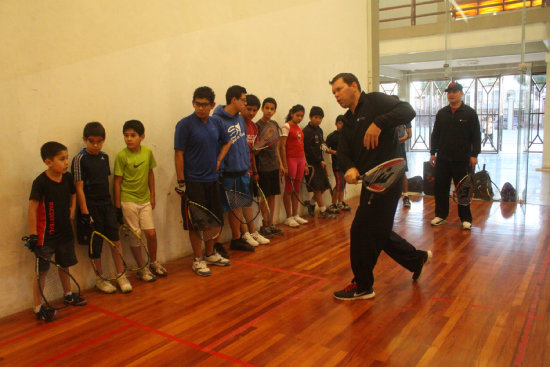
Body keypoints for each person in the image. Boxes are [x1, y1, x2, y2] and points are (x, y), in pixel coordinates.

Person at [329, 72, 432, 300]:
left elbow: (408, 111)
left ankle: (363, 285)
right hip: (370, 184)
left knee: (360, 230)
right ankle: (415, 258)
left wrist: (378, 123)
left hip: (389, 179)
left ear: (354, 86)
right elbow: (344, 154)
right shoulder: (347, 121)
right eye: (334, 92)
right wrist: (349, 168)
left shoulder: (376, 101)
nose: (336, 95)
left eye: (339, 89)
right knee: (377, 230)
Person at [174, 86, 232, 276]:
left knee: (214, 220)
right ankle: (197, 259)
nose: (200, 108)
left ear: (212, 105)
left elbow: (228, 141)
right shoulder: (185, 125)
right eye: (197, 104)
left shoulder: (216, 123)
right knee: (196, 223)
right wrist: (181, 181)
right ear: (193, 103)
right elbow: (179, 154)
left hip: (212, 179)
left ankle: (210, 254)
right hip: (193, 181)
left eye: (204, 105)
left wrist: (218, 160)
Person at [28, 142, 87, 321]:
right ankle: (38, 308)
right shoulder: (40, 182)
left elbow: (74, 192)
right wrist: (33, 236)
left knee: (64, 264)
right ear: (48, 162)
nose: (66, 162)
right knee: (42, 272)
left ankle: (68, 294)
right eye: (62, 159)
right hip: (45, 236)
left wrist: (72, 208)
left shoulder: (67, 177)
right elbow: (32, 209)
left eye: (67, 158)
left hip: (64, 232)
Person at [72, 122, 132, 293]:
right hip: (90, 207)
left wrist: (115, 207)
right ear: (85, 140)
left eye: (100, 141)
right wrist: (84, 213)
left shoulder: (104, 157)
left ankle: (121, 275)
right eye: (92, 142)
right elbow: (79, 188)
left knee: (116, 241)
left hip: (106, 205)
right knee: (95, 244)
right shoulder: (79, 159)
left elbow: (107, 183)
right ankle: (100, 278)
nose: (96, 145)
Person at [114, 120, 167, 282]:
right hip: (128, 200)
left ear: (142, 137)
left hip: (144, 200)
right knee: (135, 235)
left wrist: (152, 195)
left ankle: (153, 262)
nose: (129, 139)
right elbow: (117, 181)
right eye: (126, 135)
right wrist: (117, 204)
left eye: (133, 135)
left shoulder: (147, 152)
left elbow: (150, 173)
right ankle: (141, 268)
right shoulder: (121, 156)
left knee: (150, 233)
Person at [212, 85, 258, 255]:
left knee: (237, 207)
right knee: (221, 209)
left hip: (241, 171)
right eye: (244, 100)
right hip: (226, 173)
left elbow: (243, 144)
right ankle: (216, 245)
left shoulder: (239, 119)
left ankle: (236, 239)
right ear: (234, 100)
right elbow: (216, 147)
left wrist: (247, 166)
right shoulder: (216, 120)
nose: (245, 104)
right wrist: (220, 169)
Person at [429, 82, 481, 230]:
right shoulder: (442, 113)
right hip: (443, 159)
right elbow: (436, 134)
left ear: (461, 93)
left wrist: (474, 154)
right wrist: (433, 152)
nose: (451, 94)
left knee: (463, 189)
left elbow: (476, 136)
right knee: (441, 188)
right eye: (449, 92)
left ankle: (465, 218)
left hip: (462, 159)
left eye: (455, 91)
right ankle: (440, 215)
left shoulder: (469, 113)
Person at [240, 94, 270, 245]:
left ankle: (253, 231)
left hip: (249, 170)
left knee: (247, 202)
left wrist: (255, 171)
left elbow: (253, 151)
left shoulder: (253, 126)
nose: (251, 113)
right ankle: (245, 233)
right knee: (240, 204)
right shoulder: (237, 124)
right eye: (249, 109)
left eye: (254, 110)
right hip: (237, 171)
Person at [256, 97, 285, 237]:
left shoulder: (274, 124)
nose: (269, 110)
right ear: (262, 109)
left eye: (272, 108)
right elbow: (255, 149)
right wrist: (265, 137)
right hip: (263, 167)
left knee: (273, 196)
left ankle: (271, 223)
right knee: (264, 197)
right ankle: (264, 224)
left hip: (274, 166)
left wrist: (280, 164)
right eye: (266, 107)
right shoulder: (257, 126)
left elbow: (277, 147)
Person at [302, 106, 336, 219]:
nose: (318, 120)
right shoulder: (306, 131)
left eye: (320, 118)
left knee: (324, 187)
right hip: (311, 164)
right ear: (310, 117)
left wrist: (329, 150)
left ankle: (311, 204)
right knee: (317, 188)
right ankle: (322, 210)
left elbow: (322, 144)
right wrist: (319, 160)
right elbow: (307, 149)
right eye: (316, 117)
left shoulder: (319, 130)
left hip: (320, 163)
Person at [280, 104, 309, 227]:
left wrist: (306, 163)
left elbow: (302, 146)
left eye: (302, 116)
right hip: (291, 159)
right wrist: (285, 165)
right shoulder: (286, 126)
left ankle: (296, 215)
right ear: (292, 113)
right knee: (289, 188)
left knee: (297, 189)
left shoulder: (299, 128)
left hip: (300, 159)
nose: (300, 118)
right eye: (297, 115)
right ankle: (288, 217)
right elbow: (282, 146)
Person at [325, 115, 351, 212]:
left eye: (343, 124)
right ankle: (333, 204)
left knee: (343, 183)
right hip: (337, 164)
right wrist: (334, 152)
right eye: (340, 123)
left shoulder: (347, 135)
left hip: (346, 164)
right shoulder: (332, 136)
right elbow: (325, 148)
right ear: (336, 124)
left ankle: (341, 202)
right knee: (339, 183)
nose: (341, 126)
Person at [392, 95, 413, 208]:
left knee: (403, 172)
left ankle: (405, 196)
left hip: (400, 148)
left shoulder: (405, 117)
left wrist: (398, 140)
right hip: (389, 149)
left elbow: (409, 135)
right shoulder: (387, 117)